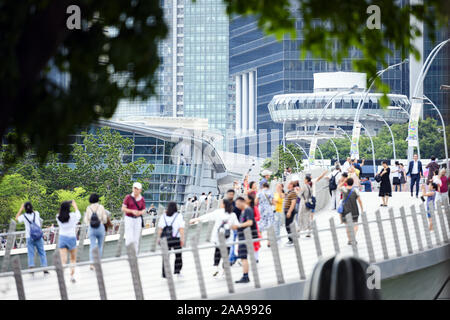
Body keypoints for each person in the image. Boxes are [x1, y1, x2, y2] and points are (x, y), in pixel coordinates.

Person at [190, 199, 239, 277]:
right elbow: (237, 225)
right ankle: (224, 271)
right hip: (228, 237)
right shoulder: (232, 214)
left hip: (219, 237)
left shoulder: (218, 212)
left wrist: (196, 219)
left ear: (223, 204)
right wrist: (229, 227)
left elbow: (207, 216)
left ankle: (215, 268)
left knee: (217, 252)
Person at [15, 202, 49, 275]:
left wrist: (21, 209)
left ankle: (31, 267)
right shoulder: (36, 213)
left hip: (29, 236)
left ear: (25, 208)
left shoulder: (24, 216)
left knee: (31, 253)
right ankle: (44, 267)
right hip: (38, 236)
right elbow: (34, 212)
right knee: (42, 252)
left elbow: (16, 218)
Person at [157, 202, 185, 278]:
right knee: (178, 255)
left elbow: (160, 229)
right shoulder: (179, 216)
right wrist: (182, 238)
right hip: (176, 239)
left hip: (165, 239)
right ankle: (177, 271)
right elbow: (181, 228)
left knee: (166, 256)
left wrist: (158, 238)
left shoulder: (163, 216)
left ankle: (164, 274)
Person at [234, 196, 257, 284]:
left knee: (243, 257)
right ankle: (245, 275)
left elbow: (250, 222)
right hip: (243, 236)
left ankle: (245, 276)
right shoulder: (244, 211)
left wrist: (238, 226)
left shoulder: (248, 210)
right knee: (243, 257)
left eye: (237, 204)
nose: (236, 206)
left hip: (246, 236)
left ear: (241, 202)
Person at [56, 200, 81, 283]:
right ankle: (72, 276)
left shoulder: (58, 217)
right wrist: (75, 206)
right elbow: (79, 215)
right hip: (71, 238)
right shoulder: (73, 216)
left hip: (62, 238)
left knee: (63, 260)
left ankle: (61, 277)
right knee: (72, 259)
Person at [297, 171, 327, 237]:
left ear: (306, 179)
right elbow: (319, 178)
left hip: (304, 203)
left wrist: (297, 191)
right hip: (311, 201)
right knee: (309, 216)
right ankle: (308, 231)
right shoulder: (311, 184)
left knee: (301, 216)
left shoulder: (305, 185)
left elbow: (299, 194)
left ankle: (299, 230)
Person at [84, 193, 108, 270]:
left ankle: (92, 263)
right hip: (100, 227)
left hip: (91, 228)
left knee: (92, 246)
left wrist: (90, 224)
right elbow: (105, 219)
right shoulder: (101, 207)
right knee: (100, 246)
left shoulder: (88, 208)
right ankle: (98, 262)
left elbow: (86, 220)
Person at [121, 182, 146, 253]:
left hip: (137, 219)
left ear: (140, 190)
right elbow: (123, 208)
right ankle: (129, 253)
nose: (135, 190)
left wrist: (139, 213)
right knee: (129, 237)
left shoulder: (142, 199)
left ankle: (135, 254)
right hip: (129, 218)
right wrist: (132, 211)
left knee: (136, 238)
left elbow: (143, 210)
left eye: (137, 189)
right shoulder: (128, 197)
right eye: (134, 188)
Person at [338, 177, 364, 245]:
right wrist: (362, 209)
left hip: (345, 210)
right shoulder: (355, 190)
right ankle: (353, 239)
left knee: (347, 226)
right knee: (355, 225)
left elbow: (339, 186)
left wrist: (344, 182)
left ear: (346, 182)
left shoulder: (343, 189)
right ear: (353, 183)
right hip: (354, 210)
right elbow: (359, 201)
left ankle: (349, 240)